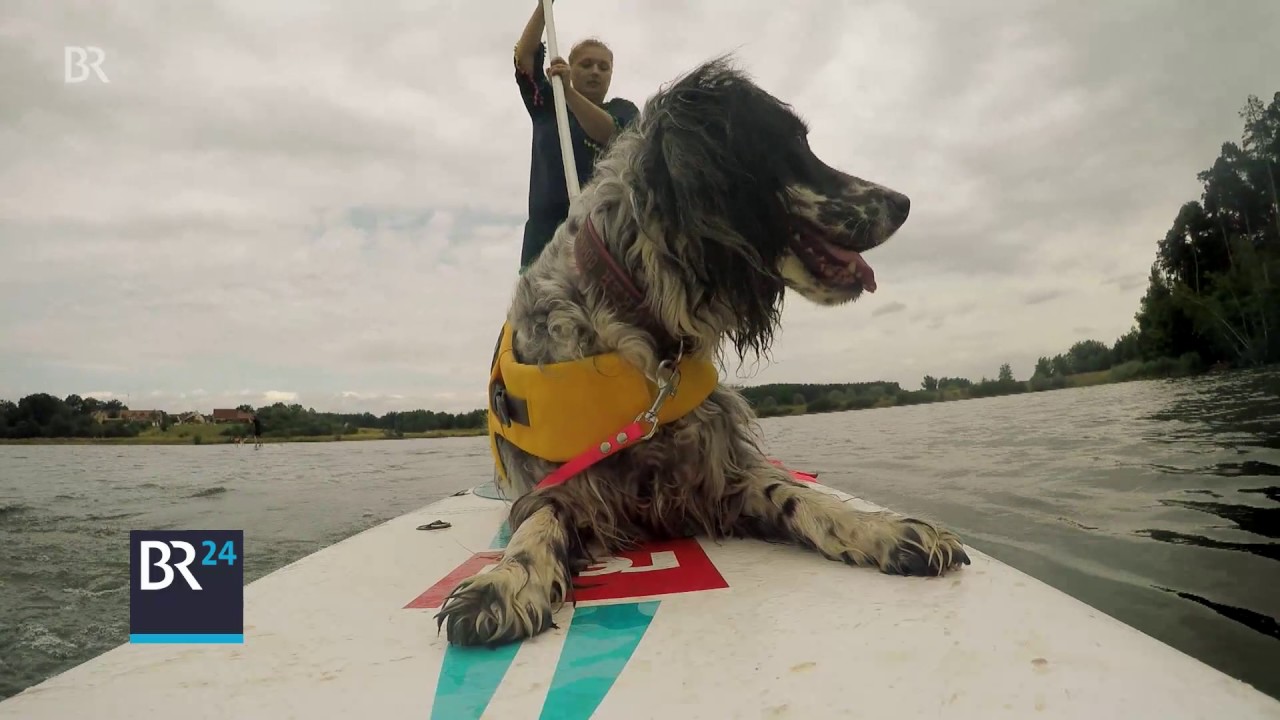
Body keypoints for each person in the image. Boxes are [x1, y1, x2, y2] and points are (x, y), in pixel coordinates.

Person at [513, 1, 640, 271]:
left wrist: (569, 92)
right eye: (586, 64)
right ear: (570, 66)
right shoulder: (548, 106)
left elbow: (611, 134)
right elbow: (524, 57)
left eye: (603, 67)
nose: (595, 71)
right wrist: (543, 5)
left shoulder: (624, 111)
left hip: (602, 245)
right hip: (543, 248)